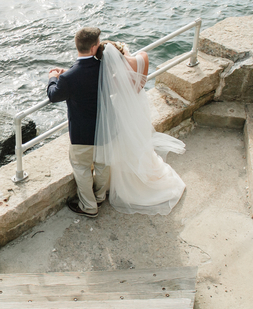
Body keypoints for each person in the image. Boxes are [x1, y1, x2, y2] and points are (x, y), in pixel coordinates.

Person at [94, 40, 186, 214]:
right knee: (141, 139)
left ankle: (132, 181)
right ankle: (145, 171)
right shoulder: (142, 57)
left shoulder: (112, 75)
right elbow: (140, 83)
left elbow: (111, 93)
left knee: (126, 143)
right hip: (140, 105)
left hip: (122, 110)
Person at [47, 27, 110, 218]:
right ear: (93, 48)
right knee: (103, 166)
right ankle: (99, 196)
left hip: (82, 134)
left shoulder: (68, 78)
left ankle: (89, 206)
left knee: (81, 168)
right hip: (105, 130)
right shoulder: (106, 67)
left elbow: (53, 95)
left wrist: (52, 78)